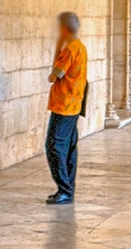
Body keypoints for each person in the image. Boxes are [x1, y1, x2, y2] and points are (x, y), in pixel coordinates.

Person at [44, 12, 87, 205]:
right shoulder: (81, 47)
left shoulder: (69, 49)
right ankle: (68, 188)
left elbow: (54, 75)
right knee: (69, 148)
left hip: (64, 106)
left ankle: (64, 189)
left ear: (63, 28)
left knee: (54, 146)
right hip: (74, 104)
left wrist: (57, 46)